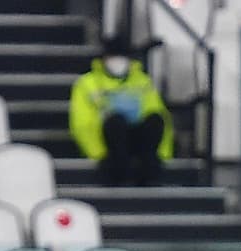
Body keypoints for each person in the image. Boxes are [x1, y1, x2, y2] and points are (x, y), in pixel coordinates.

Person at [69, 38, 173, 186]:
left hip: (140, 140)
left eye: (123, 57)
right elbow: (81, 123)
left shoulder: (142, 81)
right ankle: (119, 168)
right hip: (109, 143)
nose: (118, 62)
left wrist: (163, 154)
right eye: (113, 57)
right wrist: (98, 154)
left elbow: (159, 115)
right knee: (116, 122)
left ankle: (149, 165)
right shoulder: (87, 84)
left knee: (154, 120)